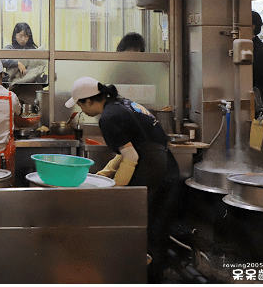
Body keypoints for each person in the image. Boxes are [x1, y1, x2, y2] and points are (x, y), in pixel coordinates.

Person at [66, 76, 179, 283]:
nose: (82, 110)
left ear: (89, 100)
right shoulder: (120, 104)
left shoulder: (108, 118)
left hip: (152, 169)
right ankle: (151, 276)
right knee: (155, 227)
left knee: (143, 228)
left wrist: (117, 189)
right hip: (166, 166)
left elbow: (131, 156)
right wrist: (106, 173)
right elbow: (127, 148)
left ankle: (144, 278)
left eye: (81, 105)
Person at [1, 22, 47, 95]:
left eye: (26, 36)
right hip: (15, 87)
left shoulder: (33, 50)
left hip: (30, 87)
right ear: (15, 36)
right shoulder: (10, 48)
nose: (23, 39)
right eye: (20, 36)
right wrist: (18, 64)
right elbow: (1, 60)